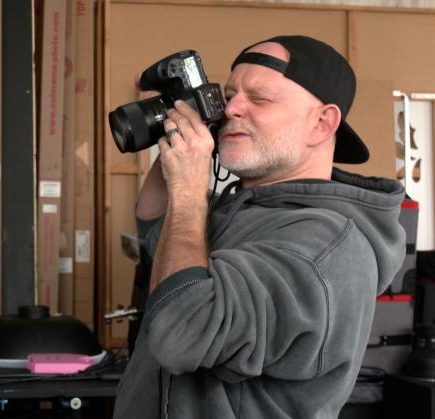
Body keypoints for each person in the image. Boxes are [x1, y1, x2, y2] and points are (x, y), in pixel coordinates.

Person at [113, 35, 406, 418]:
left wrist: (188, 188)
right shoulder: (244, 209)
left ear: (322, 123)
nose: (231, 109)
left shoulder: (324, 246)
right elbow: (158, 234)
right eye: (229, 94)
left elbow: (182, 334)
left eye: (259, 98)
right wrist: (177, 127)